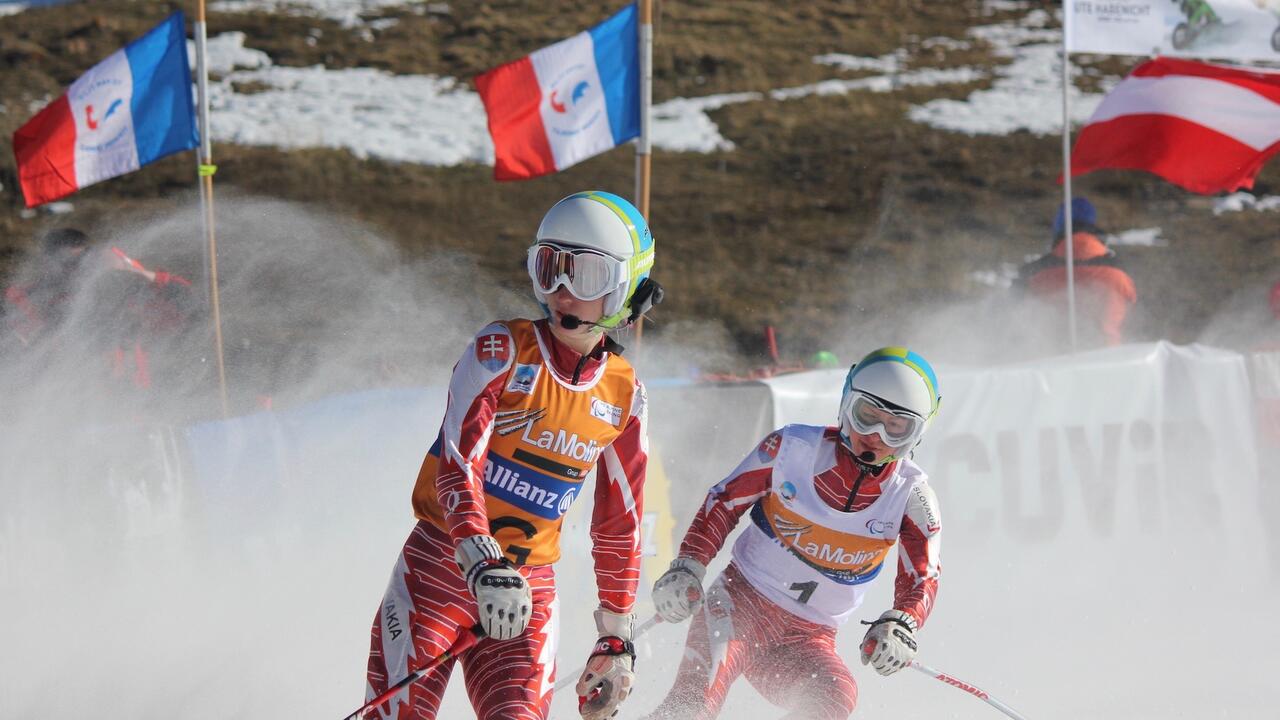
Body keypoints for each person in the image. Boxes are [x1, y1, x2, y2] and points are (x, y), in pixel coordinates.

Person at [364, 191, 663, 720]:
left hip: (529, 594)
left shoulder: (625, 394)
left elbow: (620, 524)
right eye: (549, 269)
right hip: (439, 572)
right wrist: (481, 560)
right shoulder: (501, 350)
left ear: (625, 287)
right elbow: (459, 467)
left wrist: (617, 637)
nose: (562, 292)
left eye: (585, 275)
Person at [642, 347, 943, 720]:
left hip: (808, 640)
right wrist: (688, 566)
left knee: (836, 697)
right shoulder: (792, 448)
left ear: (919, 430)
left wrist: (901, 623)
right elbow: (724, 501)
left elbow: (923, 576)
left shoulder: (912, 496)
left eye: (896, 426)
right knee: (694, 703)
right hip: (740, 608)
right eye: (866, 416)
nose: (875, 436)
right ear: (846, 403)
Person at [1015, 197, 1137, 348]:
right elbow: (1134, 317)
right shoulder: (1121, 271)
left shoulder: (1033, 273)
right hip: (1108, 358)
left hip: (1047, 359)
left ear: (1059, 226)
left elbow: (1011, 314)